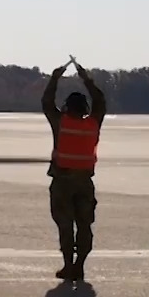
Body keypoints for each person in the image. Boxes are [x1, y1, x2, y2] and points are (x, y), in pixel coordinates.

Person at [41, 56, 107, 281]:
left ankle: (69, 264)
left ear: (68, 107)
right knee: (85, 225)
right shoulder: (93, 123)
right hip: (84, 182)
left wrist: (55, 78)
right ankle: (79, 265)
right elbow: (100, 101)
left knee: (65, 225)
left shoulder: (62, 123)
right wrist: (86, 79)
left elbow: (47, 103)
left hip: (63, 182)